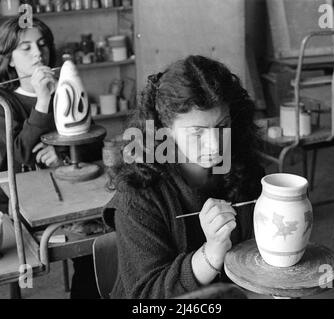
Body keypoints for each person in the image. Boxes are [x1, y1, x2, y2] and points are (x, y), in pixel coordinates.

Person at [103, 55, 265, 298]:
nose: (215, 145)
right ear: (164, 131)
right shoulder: (138, 195)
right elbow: (146, 297)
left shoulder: (242, 168)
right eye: (197, 132)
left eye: (222, 126)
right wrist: (211, 253)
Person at [0, 16, 101, 299]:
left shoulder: (66, 86)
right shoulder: (1, 101)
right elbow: (19, 155)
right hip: (24, 204)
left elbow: (91, 147)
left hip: (70, 196)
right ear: (9, 59)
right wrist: (41, 101)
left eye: (42, 45)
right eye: (25, 48)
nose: (38, 53)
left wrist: (61, 153)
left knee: (100, 245)